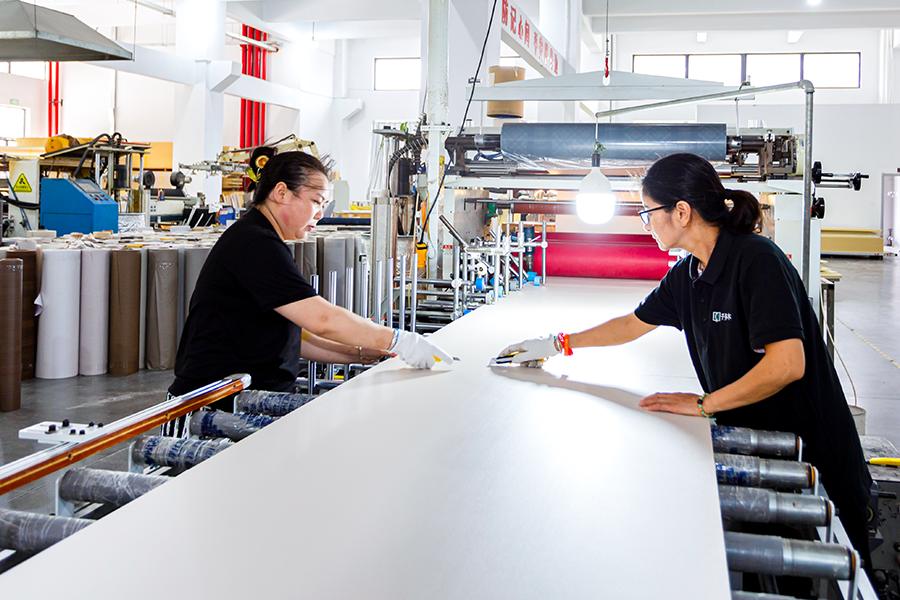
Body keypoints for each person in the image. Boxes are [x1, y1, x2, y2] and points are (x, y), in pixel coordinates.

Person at [500, 153, 873, 568]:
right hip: (760, 457)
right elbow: (631, 324)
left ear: (681, 212)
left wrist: (705, 404)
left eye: (648, 212)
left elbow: (787, 364)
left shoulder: (757, 261)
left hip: (814, 465)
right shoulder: (688, 276)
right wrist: (557, 344)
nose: (646, 223)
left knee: (838, 577)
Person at [169, 149, 452, 402]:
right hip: (216, 402)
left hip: (243, 393)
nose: (320, 214)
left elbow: (296, 339)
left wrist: (361, 353)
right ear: (281, 193)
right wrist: (400, 340)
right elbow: (322, 320)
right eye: (316, 201)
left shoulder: (260, 238)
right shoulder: (255, 244)